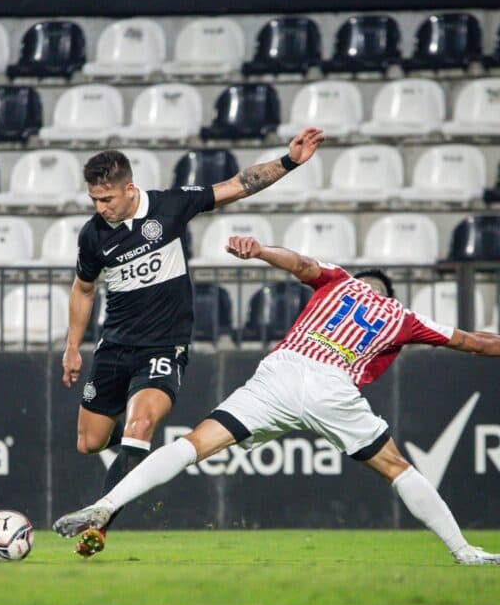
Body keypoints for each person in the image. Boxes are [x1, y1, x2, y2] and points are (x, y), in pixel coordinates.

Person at [55, 235, 500, 565]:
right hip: (333, 387)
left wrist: (260, 250)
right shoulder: (404, 316)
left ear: (360, 282)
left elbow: (300, 264)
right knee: (398, 469)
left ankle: (107, 505)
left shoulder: (339, 282)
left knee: (190, 446)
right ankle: (462, 551)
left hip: (282, 372)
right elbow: (477, 343)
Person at [61, 129, 325, 556]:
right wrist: (73, 347)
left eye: (106, 199)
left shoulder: (168, 206)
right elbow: (83, 289)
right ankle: (137, 455)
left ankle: (100, 522)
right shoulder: (93, 235)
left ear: (130, 188)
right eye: (94, 200)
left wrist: (289, 160)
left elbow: (239, 185)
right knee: (89, 442)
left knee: (140, 426)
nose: (100, 208)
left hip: (164, 346)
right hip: (114, 347)